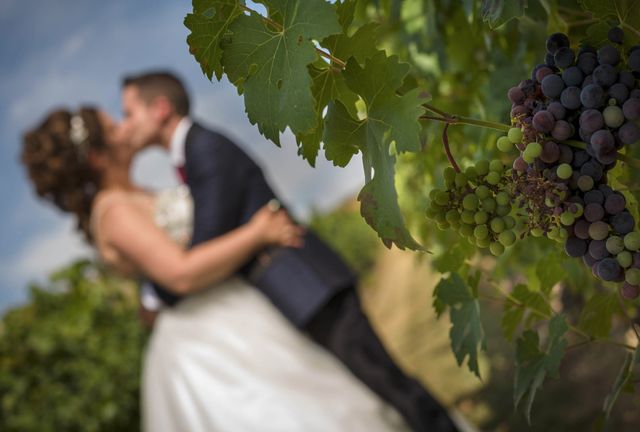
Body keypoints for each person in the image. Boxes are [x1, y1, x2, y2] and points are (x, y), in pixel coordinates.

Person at [21, 106, 411, 431]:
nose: (124, 129)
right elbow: (180, 273)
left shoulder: (130, 197)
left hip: (238, 307)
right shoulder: (114, 211)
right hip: (209, 333)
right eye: (113, 127)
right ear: (97, 156)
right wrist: (257, 234)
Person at [119, 70, 459, 432]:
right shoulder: (195, 151)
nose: (125, 126)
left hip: (308, 285)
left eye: (129, 113)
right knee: (375, 388)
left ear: (159, 109)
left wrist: (156, 293)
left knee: (387, 383)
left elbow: (207, 238)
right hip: (296, 290)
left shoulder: (204, 148)